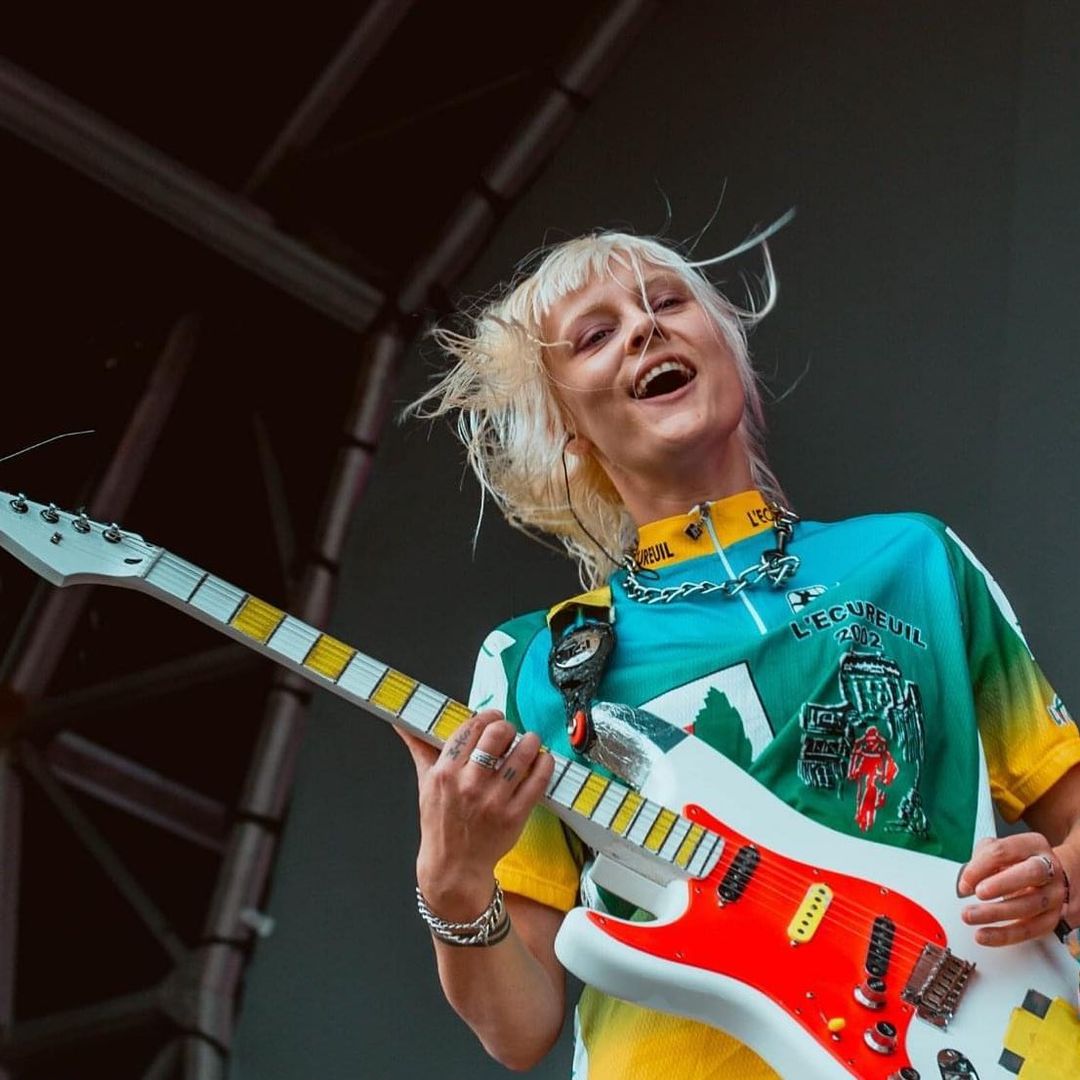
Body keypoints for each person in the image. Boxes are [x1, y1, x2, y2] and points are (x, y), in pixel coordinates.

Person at [394, 230, 1080, 1078]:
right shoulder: (533, 662)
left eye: (667, 302)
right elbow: (519, 1028)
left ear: (729, 349)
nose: (644, 329)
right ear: (566, 425)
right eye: (596, 334)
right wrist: (453, 884)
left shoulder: (913, 560)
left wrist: (1059, 879)